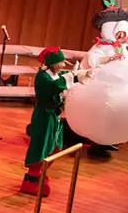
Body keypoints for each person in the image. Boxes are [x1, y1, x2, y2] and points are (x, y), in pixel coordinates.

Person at [21, 47, 85, 197]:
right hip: (44, 117)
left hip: (53, 117)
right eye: (61, 62)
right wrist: (72, 76)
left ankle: (40, 173)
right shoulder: (43, 77)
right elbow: (54, 86)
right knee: (42, 147)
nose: (63, 65)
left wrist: (78, 75)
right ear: (53, 64)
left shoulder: (55, 74)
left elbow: (63, 78)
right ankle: (33, 178)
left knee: (55, 147)